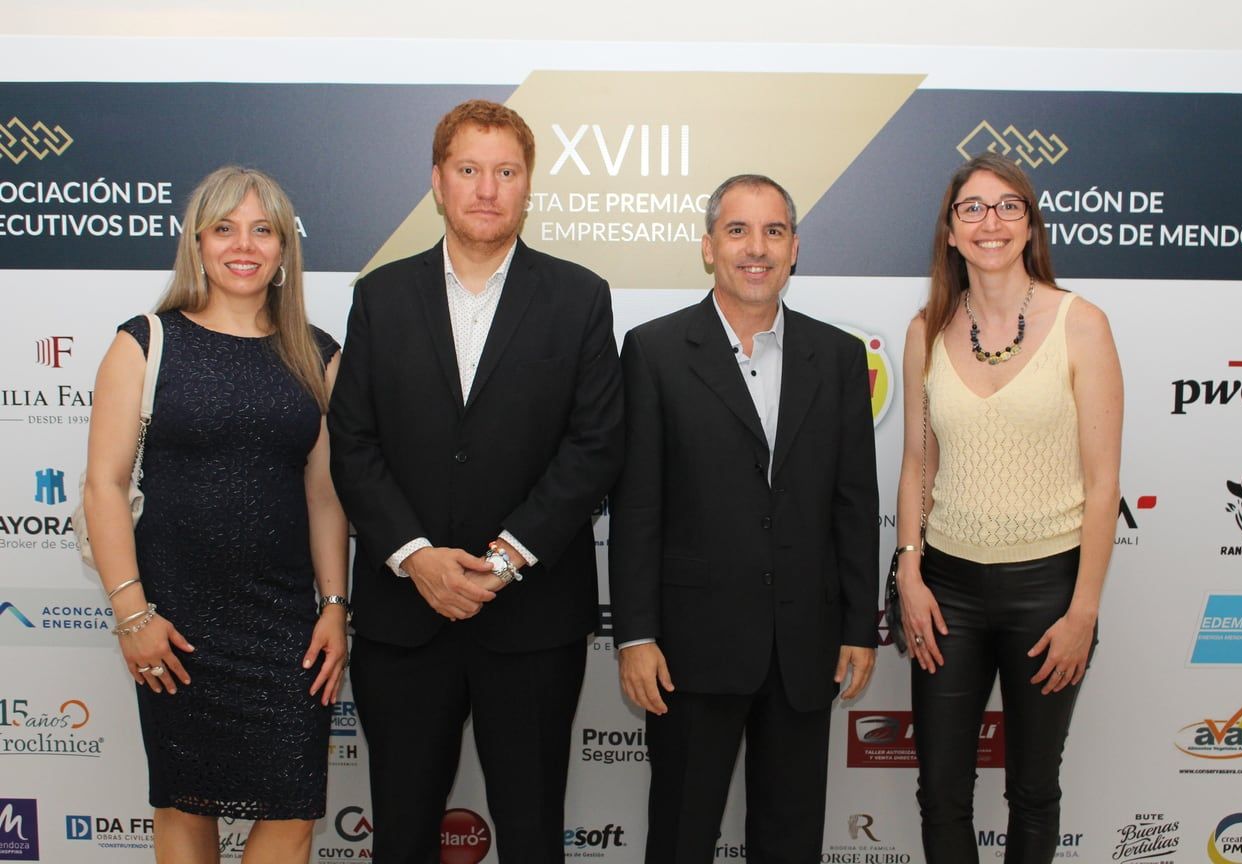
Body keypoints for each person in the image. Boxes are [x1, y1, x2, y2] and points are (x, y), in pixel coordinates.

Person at [327, 99, 624, 864]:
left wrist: (504, 561)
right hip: (404, 617)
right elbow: (353, 445)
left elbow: (594, 445)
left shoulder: (580, 297)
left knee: (531, 836)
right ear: (437, 182)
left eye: (506, 172)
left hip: (531, 620)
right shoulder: (380, 296)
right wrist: (417, 557)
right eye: (468, 169)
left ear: (528, 185)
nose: (487, 189)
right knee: (400, 836)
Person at [82, 165, 350, 864]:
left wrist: (334, 606)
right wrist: (132, 614)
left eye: (263, 230)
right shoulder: (145, 341)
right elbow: (104, 487)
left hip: (287, 627)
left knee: (293, 812)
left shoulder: (318, 354)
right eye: (225, 228)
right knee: (184, 806)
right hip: (175, 624)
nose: (244, 245)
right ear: (197, 243)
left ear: (285, 247)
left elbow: (325, 495)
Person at [610, 174, 879, 864]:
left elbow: (853, 501)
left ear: (794, 249)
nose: (756, 248)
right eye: (738, 231)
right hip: (689, 650)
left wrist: (860, 626)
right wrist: (635, 634)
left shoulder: (839, 357)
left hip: (804, 647)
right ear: (709, 247)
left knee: (791, 841)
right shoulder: (653, 351)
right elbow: (637, 506)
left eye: (773, 231)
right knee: (680, 837)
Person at [894, 153, 1123, 863]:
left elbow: (1104, 482)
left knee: (1032, 789)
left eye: (1007, 206)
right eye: (972, 208)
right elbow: (918, 462)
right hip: (947, 592)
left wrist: (1083, 611)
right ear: (950, 231)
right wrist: (908, 572)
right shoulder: (926, 329)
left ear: (1029, 226)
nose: (989, 222)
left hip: (1048, 593)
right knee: (941, 792)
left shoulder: (1081, 324)